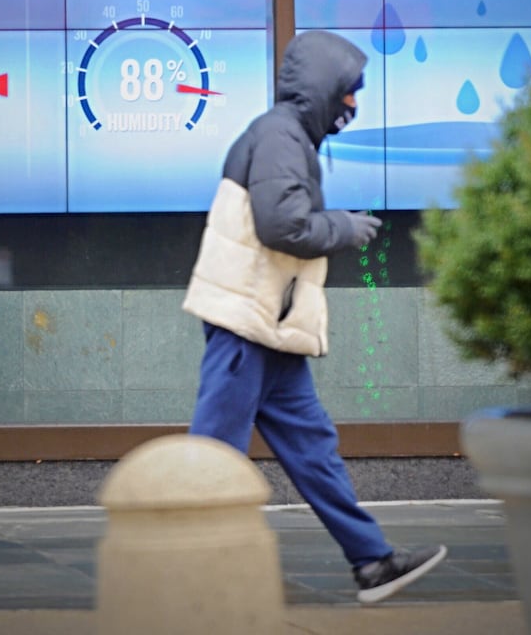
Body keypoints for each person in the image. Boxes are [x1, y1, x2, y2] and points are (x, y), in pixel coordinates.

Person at [183, 29, 446, 605]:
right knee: (213, 452)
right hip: (245, 323)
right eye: (349, 92)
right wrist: (345, 228)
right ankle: (180, 571)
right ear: (325, 88)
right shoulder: (279, 136)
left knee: (313, 447)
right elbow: (285, 226)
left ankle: (372, 563)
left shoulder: (290, 137)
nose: (353, 104)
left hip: (269, 327)